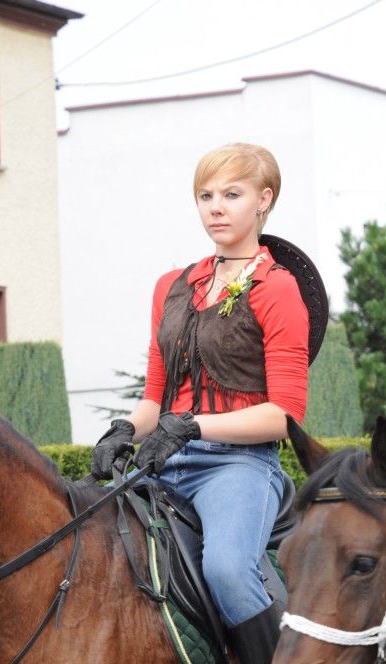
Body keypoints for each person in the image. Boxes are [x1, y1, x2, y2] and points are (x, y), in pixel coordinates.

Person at [90, 143, 317, 664]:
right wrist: (124, 428)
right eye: (205, 195)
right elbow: (156, 399)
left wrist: (194, 427)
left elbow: (285, 416)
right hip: (163, 458)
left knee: (228, 570)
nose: (215, 207)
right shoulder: (171, 287)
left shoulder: (278, 289)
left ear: (264, 200)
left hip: (237, 467)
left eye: (231, 194)